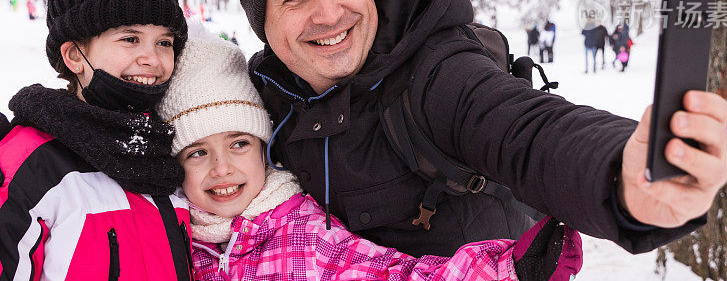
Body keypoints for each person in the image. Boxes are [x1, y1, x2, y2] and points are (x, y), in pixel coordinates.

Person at [236, 0, 727, 257]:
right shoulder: (256, 102)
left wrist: (623, 177)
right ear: (265, 25)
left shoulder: (436, 70)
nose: (329, 12)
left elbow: (528, 133)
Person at [157, 29, 582, 280]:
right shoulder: (167, 237)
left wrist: (509, 271)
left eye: (239, 143)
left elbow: (388, 273)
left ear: (264, 147)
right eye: (196, 152)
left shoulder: (298, 232)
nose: (222, 168)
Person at [0, 0, 192, 279]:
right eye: (129, 39)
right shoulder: (33, 163)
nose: (152, 58)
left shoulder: (172, 153)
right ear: (75, 56)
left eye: (164, 42)